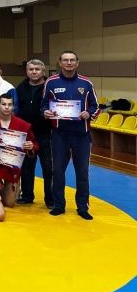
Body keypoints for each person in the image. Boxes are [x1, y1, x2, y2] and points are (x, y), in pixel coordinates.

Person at [41, 51, 98, 220]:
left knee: (82, 173)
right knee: (58, 171)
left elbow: (96, 106)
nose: (69, 63)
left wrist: (89, 113)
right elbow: (43, 105)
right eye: (65, 60)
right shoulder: (51, 82)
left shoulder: (86, 83)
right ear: (60, 63)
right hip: (59, 135)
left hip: (82, 135)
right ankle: (59, 205)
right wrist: (45, 112)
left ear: (77, 63)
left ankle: (82, 207)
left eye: (72, 60)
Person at [0, 94, 38, 207]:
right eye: (3, 104)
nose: (7, 107)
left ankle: (10, 187)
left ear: (13, 106)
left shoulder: (23, 125)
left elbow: (35, 143)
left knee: (9, 203)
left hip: (12, 168)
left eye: (9, 104)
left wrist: (31, 146)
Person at [15, 59, 53, 208]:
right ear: (26, 71)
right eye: (31, 69)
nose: (34, 72)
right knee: (26, 168)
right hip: (26, 135)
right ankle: (27, 196)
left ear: (43, 71)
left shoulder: (50, 86)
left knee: (48, 168)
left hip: (46, 134)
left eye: (37, 69)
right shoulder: (20, 88)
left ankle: (50, 199)